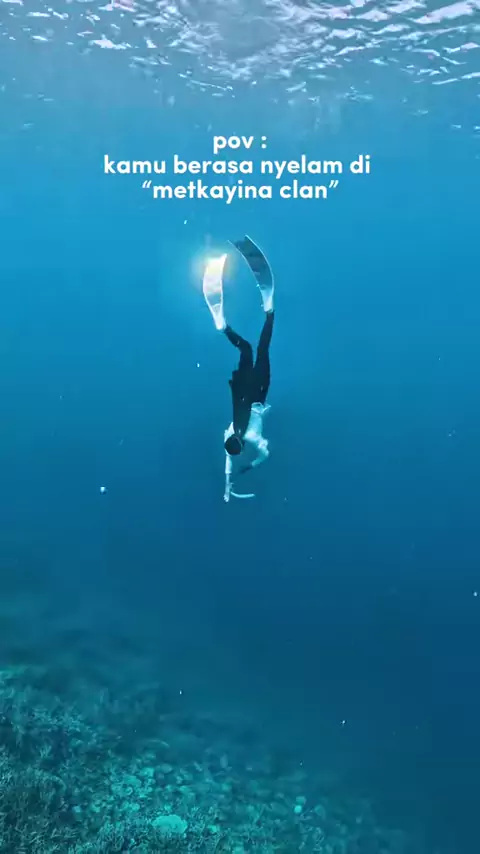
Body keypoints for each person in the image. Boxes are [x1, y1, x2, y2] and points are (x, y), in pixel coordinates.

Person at [202, 236, 275, 501]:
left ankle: (269, 312)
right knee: (246, 350)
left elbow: (264, 454)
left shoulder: (251, 438)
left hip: (258, 394)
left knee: (262, 350)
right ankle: (224, 328)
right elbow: (228, 459)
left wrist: (248, 468)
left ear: (239, 445)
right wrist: (227, 482)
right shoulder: (229, 435)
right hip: (243, 389)